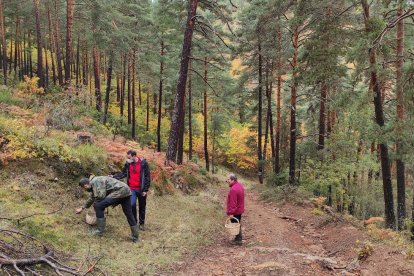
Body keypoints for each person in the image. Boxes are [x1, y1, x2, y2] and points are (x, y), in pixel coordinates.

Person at [75, 175, 139, 242]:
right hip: (126, 191)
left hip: (119, 191)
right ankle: (135, 237)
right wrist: (82, 208)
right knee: (129, 214)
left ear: (85, 185)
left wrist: (96, 205)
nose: (84, 190)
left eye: (83, 188)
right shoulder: (93, 184)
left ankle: (99, 231)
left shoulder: (96, 181)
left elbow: (101, 196)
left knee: (98, 206)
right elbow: (92, 197)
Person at [113, 150, 151, 231]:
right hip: (131, 189)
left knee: (142, 206)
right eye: (128, 158)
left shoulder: (143, 163)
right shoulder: (128, 164)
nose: (128, 159)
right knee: (132, 204)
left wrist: (145, 190)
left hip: (141, 189)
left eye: (129, 157)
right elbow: (123, 174)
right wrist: (113, 177)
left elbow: (147, 177)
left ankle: (142, 224)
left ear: (134, 156)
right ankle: (134, 222)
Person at [226, 173, 245, 245]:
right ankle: (238, 238)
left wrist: (231, 213)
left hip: (236, 211)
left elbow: (233, 203)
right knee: (237, 223)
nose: (227, 180)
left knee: (235, 224)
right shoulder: (239, 185)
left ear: (233, 180)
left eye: (228, 179)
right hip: (239, 209)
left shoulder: (233, 189)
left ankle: (238, 240)